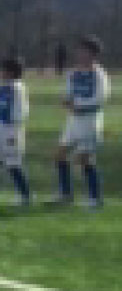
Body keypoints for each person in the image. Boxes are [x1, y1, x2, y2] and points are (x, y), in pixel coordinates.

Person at [54, 36, 110, 208]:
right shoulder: (73, 73)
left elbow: (101, 98)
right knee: (59, 155)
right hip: (72, 121)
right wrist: (66, 100)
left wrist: (78, 105)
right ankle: (65, 194)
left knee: (84, 159)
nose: (80, 54)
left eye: (84, 51)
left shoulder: (99, 74)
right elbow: (68, 93)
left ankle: (95, 198)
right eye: (79, 50)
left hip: (90, 121)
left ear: (93, 54)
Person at [0, 56, 31, 206]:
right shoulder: (1, 87)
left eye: (3, 70)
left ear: (10, 72)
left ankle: (25, 196)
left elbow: (22, 111)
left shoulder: (17, 88)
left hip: (10, 131)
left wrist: (11, 123)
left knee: (13, 163)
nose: (0, 72)